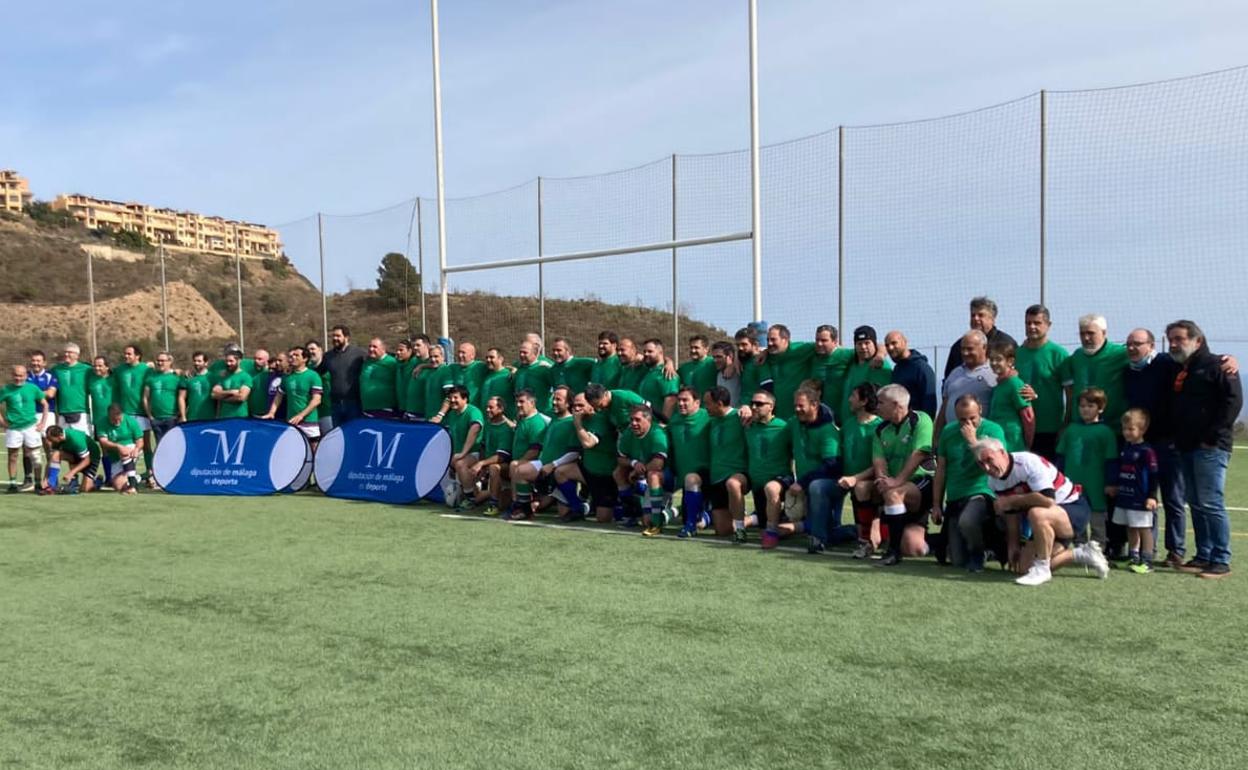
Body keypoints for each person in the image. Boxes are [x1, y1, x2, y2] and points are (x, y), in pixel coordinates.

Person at [975, 438, 1109, 586]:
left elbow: (1047, 500)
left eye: (989, 460)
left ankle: (1043, 568)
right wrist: (1013, 545)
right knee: (1024, 568)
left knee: (1036, 513)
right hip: (1045, 521)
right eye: (981, 464)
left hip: (1072, 507)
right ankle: (1081, 553)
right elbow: (1011, 513)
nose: (987, 467)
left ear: (1002, 453)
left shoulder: (1027, 463)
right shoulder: (993, 481)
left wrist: (1012, 500)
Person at [1167, 320, 1242, 579]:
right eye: (1171, 339)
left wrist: (1213, 435)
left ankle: (1221, 560)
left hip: (1210, 448)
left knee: (1211, 503)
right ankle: (1203, 555)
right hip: (1186, 447)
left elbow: (1233, 401)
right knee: (1196, 504)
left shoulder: (1218, 365)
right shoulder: (1181, 369)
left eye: (1179, 339)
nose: (1174, 344)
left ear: (1197, 341)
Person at [1122, 328, 1186, 567]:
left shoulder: (1167, 363)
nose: (1131, 348)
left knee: (1173, 497)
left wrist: (1227, 360)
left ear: (1150, 345)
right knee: (1144, 498)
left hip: (1167, 442)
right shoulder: (1128, 370)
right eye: (1128, 344)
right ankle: (1149, 550)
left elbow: (1198, 361)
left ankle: (1176, 550)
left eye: (1137, 344)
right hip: (1140, 445)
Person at [864, 384, 935, 566]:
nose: (876, 406)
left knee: (894, 493)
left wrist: (897, 481)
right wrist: (881, 479)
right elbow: (879, 460)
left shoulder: (921, 420)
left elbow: (919, 453)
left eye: (881, 402)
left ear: (897, 405)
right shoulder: (881, 429)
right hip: (897, 485)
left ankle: (893, 552)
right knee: (914, 548)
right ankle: (867, 537)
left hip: (922, 482)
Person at [933, 394, 1005, 571]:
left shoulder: (994, 430)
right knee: (957, 560)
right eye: (962, 419)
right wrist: (936, 504)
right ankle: (984, 548)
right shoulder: (949, 432)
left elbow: (996, 467)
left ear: (980, 409)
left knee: (968, 521)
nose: (968, 424)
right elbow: (941, 469)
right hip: (955, 497)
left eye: (972, 418)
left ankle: (978, 552)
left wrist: (973, 441)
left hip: (982, 491)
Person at [789, 386, 851, 554]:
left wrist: (802, 482)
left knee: (816, 487)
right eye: (795, 405)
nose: (797, 409)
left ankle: (818, 540)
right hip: (808, 486)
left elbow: (832, 466)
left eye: (801, 406)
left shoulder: (828, 430)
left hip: (830, 485)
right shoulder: (794, 423)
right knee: (830, 532)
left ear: (815, 405)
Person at [1056, 387, 1118, 551]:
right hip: (1073, 482)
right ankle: (1079, 548)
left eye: (1090, 406)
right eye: (1082, 406)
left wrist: (1111, 482)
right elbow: (1061, 457)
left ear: (1100, 408)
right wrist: (1058, 479)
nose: (1085, 410)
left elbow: (1111, 460)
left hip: (1096, 482)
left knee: (1097, 518)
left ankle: (1099, 548)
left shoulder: (1106, 432)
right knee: (1076, 514)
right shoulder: (1070, 430)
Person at [1107, 409, 1160, 574]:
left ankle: (1148, 560)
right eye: (1124, 429)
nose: (1127, 433)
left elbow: (1154, 475)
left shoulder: (1147, 451)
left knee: (1144, 528)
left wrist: (1152, 496)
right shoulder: (1125, 448)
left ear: (1142, 430)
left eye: (1131, 429)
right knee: (1130, 527)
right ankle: (1133, 556)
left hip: (1140, 498)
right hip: (1125, 496)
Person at [1014, 305, 1068, 461]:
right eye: (1028, 323)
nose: (1032, 327)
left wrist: (1065, 425)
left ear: (1048, 325)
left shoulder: (1058, 354)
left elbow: (1070, 394)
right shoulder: (1017, 354)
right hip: (1021, 429)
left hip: (1050, 429)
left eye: (1037, 323)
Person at [743, 390, 794, 550]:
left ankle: (772, 532)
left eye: (759, 404)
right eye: (752, 403)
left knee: (771, 488)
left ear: (771, 406)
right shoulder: (748, 426)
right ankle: (781, 522)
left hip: (780, 479)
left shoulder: (784, 427)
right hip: (757, 485)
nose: (753, 407)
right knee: (763, 528)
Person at [838, 383, 885, 557]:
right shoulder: (848, 424)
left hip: (871, 483)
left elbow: (881, 464)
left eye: (853, 395)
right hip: (848, 481)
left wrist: (855, 478)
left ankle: (868, 538)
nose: (849, 399)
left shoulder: (880, 427)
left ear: (864, 401)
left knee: (861, 488)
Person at [1059, 314, 1128, 431]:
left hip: (1112, 428)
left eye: (1091, 333)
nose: (1086, 338)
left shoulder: (1120, 354)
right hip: (1080, 428)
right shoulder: (1076, 356)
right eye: (1082, 334)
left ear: (1104, 333)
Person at [558, 392, 619, 523]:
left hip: (605, 474)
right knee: (560, 472)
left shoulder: (600, 419)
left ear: (591, 406)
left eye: (581, 405)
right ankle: (577, 508)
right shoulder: (578, 420)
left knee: (603, 518)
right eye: (575, 406)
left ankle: (626, 505)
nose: (577, 409)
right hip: (588, 469)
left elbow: (588, 443)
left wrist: (578, 424)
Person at [614, 403, 673, 536]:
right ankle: (631, 514)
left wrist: (637, 471)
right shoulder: (629, 433)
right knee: (618, 472)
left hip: (668, 478)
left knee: (653, 475)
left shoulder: (657, 433)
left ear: (648, 420)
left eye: (638, 420)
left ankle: (662, 520)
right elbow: (620, 458)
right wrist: (633, 463)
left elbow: (658, 464)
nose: (633, 423)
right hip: (647, 477)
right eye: (632, 419)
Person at [934, 330, 996, 446]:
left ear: (984, 347)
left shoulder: (994, 373)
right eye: (963, 349)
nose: (965, 353)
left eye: (970, 349)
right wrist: (937, 438)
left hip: (981, 440)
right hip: (953, 439)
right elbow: (944, 407)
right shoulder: (955, 373)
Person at [705, 386, 750, 538]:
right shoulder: (711, 421)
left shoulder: (740, 417)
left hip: (738, 473)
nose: (706, 408)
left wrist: (747, 407)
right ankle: (753, 519)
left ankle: (740, 530)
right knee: (722, 531)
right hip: (716, 477)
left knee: (733, 484)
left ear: (719, 403)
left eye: (708, 403)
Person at [667, 386, 712, 538]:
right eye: (679, 400)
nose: (681, 403)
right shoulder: (674, 421)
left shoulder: (708, 417)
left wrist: (744, 410)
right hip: (686, 480)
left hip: (709, 475)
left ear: (697, 403)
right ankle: (704, 515)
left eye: (685, 400)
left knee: (691, 479)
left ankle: (690, 526)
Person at [530, 386, 581, 517]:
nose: (553, 402)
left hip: (560, 470)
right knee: (519, 470)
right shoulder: (553, 419)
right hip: (546, 469)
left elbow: (575, 453)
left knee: (563, 513)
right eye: (553, 398)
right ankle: (522, 504)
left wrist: (553, 464)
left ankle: (583, 506)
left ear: (568, 403)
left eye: (558, 399)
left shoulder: (572, 423)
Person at [1, 365, 50, 493]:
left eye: (21, 375)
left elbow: (45, 404)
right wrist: (3, 423)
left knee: (35, 456)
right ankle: (12, 484)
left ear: (26, 376)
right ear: (12, 375)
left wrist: (42, 423)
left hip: (30, 427)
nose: (18, 378)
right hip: (14, 428)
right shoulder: (6, 389)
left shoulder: (33, 388)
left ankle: (38, 483)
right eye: (16, 375)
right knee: (13, 456)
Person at [504, 389, 551, 521]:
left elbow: (535, 450)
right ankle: (518, 503)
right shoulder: (523, 419)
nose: (518, 405)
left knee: (515, 466)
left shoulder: (536, 422)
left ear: (532, 403)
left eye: (522, 402)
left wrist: (519, 463)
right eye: (517, 402)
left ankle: (519, 505)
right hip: (525, 462)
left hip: (537, 464)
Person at [942, 296, 1018, 379]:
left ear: (992, 319)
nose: (976, 318)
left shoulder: (1006, 343)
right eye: (973, 315)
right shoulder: (958, 346)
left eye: (980, 315)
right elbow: (948, 377)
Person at [265, 345, 324, 444]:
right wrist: (272, 412)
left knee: (313, 453)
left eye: (297, 355)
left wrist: (301, 415)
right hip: (291, 422)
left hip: (309, 423)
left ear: (305, 358)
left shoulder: (313, 376)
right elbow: (279, 395)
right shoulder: (287, 377)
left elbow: (316, 400)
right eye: (291, 355)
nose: (293, 357)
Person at [113, 344, 154, 483]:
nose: (126, 356)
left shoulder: (146, 370)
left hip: (141, 412)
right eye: (125, 353)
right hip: (125, 413)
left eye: (129, 354)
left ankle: (150, 473)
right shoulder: (119, 370)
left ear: (138, 356)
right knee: (125, 443)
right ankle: (127, 475)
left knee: (145, 444)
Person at [440, 385, 485, 510]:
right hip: (459, 455)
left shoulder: (473, 412)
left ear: (465, 399)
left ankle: (470, 499)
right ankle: (474, 492)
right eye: (450, 398)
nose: (452, 400)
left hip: (476, 454)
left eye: (456, 397)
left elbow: (474, 431)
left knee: (460, 464)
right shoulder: (453, 414)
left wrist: (462, 454)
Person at [986, 340, 1034, 451]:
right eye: (991, 359)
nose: (994, 363)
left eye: (998, 359)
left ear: (1010, 361)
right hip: (999, 439)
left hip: (1013, 441)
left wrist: (1027, 443)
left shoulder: (1015, 383)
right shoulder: (999, 385)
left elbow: (1028, 416)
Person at [840, 326, 892, 428]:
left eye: (867, 343)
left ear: (874, 344)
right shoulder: (852, 365)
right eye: (859, 344)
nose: (863, 347)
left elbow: (880, 399)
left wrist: (880, 354)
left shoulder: (879, 366)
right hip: (848, 426)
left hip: (868, 427)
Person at [472, 396, 516, 516]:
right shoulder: (488, 424)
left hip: (507, 469)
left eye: (491, 407)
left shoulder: (506, 428)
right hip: (490, 467)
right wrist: (480, 466)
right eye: (487, 407)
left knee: (494, 467)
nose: (487, 409)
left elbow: (502, 456)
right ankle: (473, 496)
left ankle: (494, 503)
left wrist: (481, 463)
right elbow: (483, 447)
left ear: (501, 409)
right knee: (475, 497)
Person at [141, 352, 181, 485]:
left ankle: (174, 475)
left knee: (172, 447)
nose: (160, 363)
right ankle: (161, 476)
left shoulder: (176, 377)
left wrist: (180, 414)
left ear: (170, 362)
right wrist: (150, 415)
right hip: (156, 419)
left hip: (171, 418)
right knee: (160, 448)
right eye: (158, 360)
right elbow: (145, 398)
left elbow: (183, 397)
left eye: (163, 361)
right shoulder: (151, 377)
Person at [761, 324, 817, 418]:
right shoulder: (767, 357)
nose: (769, 343)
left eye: (773, 339)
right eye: (768, 340)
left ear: (785, 340)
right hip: (777, 413)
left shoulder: (800, 349)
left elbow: (824, 346)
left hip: (798, 412)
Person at [320, 325, 366, 426]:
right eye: (333, 336)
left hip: (354, 403)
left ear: (346, 337)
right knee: (338, 436)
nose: (335, 338)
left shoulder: (359, 354)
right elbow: (318, 372)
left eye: (338, 336)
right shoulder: (328, 356)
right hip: (335, 404)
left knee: (353, 433)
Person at [884, 331, 937, 418]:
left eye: (894, 343)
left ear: (904, 342)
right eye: (887, 345)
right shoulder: (897, 369)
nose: (890, 347)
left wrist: (924, 426)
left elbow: (929, 403)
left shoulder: (921, 368)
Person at [809, 325, 856, 420]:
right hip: (819, 416)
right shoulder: (812, 355)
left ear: (834, 341)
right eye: (817, 340)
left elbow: (877, 347)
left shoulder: (845, 354)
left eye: (824, 340)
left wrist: (879, 355)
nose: (819, 343)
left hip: (841, 415)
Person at [96, 403, 143, 494]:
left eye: (119, 419)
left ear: (122, 414)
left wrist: (137, 449)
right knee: (118, 486)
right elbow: (103, 442)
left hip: (131, 449)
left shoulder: (130, 421)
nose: (117, 422)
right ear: (108, 415)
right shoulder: (102, 422)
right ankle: (136, 477)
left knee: (124, 452)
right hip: (115, 456)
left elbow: (140, 440)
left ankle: (133, 486)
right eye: (114, 419)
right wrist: (118, 446)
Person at [45, 425, 101, 494]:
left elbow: (87, 460)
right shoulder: (56, 441)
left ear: (60, 436)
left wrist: (71, 473)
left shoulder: (76, 440)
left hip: (91, 457)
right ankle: (51, 484)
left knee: (85, 489)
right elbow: (52, 459)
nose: (48, 441)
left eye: (50, 439)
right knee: (55, 454)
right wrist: (46, 478)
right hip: (76, 455)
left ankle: (97, 482)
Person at [51, 343, 92, 434]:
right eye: (65, 352)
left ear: (77, 355)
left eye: (70, 352)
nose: (66, 354)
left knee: (83, 441)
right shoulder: (56, 369)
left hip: (81, 411)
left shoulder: (87, 369)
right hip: (62, 413)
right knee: (65, 443)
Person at [637, 339, 679, 421]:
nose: (646, 354)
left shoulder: (666, 372)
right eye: (644, 351)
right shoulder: (649, 371)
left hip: (658, 425)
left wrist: (663, 423)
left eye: (650, 351)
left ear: (660, 352)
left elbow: (671, 400)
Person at [359, 338, 398, 419]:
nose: (371, 349)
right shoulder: (366, 362)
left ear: (383, 349)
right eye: (369, 346)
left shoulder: (392, 362)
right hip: (367, 409)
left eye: (374, 347)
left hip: (385, 409)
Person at [513, 341, 554, 416]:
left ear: (535, 354)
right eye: (520, 352)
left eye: (525, 353)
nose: (522, 355)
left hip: (541, 414)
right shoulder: (519, 370)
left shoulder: (543, 369)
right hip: (522, 414)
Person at [476, 347, 515, 419]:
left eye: (491, 357)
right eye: (487, 357)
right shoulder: (487, 375)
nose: (488, 360)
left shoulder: (509, 375)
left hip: (504, 422)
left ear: (501, 359)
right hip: (487, 421)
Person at [305, 339, 334, 435]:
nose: (310, 352)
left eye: (313, 349)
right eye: (308, 350)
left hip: (327, 412)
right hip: (311, 414)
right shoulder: (306, 369)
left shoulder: (330, 365)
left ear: (320, 350)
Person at [211, 351, 252, 418]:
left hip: (240, 416)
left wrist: (222, 397)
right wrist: (231, 392)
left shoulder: (246, 377)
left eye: (231, 361)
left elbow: (241, 397)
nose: (228, 363)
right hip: (223, 417)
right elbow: (214, 394)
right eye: (226, 361)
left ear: (238, 361)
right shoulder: (223, 376)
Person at [178, 351, 216, 423]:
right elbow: (181, 397)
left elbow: (218, 399)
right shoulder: (187, 377)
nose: (196, 363)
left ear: (206, 363)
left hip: (210, 418)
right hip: (192, 418)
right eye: (195, 361)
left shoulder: (213, 377)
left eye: (199, 361)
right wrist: (183, 416)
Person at [677, 335, 717, 399]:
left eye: (696, 348)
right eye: (691, 347)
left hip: (709, 408)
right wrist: (668, 362)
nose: (693, 350)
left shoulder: (714, 363)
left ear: (706, 349)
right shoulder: (684, 368)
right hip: (690, 408)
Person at [87, 356, 114, 436]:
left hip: (113, 418)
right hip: (98, 420)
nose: (97, 368)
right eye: (95, 366)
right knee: (103, 445)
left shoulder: (115, 379)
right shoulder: (91, 380)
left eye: (100, 366)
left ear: (107, 367)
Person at [710, 341, 741, 407]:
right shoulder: (719, 375)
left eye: (719, 357)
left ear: (730, 356)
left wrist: (733, 364)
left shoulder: (740, 370)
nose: (715, 360)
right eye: (714, 357)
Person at [246, 349, 274, 418]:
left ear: (267, 360)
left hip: (267, 413)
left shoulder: (271, 374)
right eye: (255, 358)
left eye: (259, 359)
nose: (256, 361)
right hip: (251, 412)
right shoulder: (249, 373)